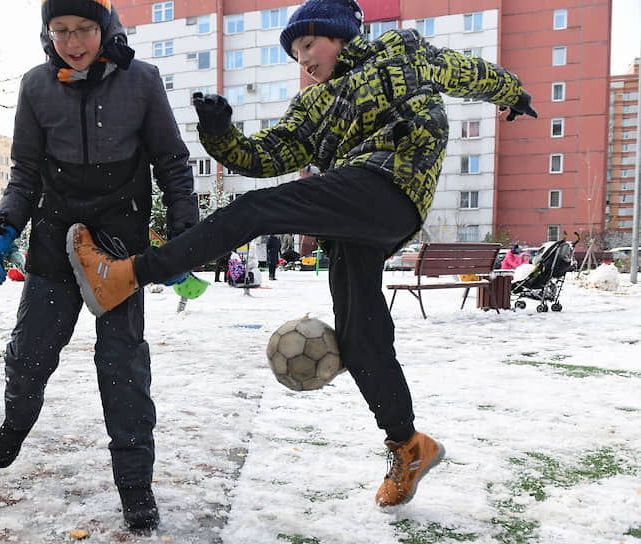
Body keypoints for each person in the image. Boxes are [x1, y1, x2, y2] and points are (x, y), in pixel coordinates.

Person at [67, 0, 538, 509]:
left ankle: (129, 274)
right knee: (362, 338)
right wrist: (220, 132)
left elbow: (468, 71)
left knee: (252, 210)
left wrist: (513, 93)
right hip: (357, 219)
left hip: (392, 181)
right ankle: (409, 444)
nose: (304, 61)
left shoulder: (402, 54)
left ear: (339, 36)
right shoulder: (311, 106)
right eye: (295, 54)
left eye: (309, 45)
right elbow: (265, 155)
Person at [0, 0, 198, 532]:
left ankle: (135, 485)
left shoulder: (142, 81)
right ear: (46, 33)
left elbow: (171, 162)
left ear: (105, 29)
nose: (73, 43)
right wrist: (6, 221)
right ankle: (16, 420)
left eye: (83, 30)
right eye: (60, 31)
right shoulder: (35, 86)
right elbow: (25, 171)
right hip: (55, 238)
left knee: (122, 365)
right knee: (30, 353)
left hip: (120, 241)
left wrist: (185, 236)